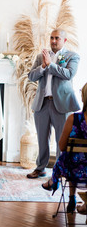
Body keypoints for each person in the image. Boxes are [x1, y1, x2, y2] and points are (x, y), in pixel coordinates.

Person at [27, 28, 80, 179]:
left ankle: (59, 171)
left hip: (62, 104)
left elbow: (69, 74)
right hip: (42, 103)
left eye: (57, 38)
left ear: (64, 40)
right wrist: (43, 66)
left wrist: (50, 65)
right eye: (51, 38)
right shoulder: (41, 56)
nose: (53, 41)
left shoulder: (72, 56)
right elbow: (31, 76)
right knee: (42, 138)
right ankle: (40, 168)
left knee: (60, 141)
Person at [42, 83, 87, 213]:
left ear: (83, 97)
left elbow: (62, 146)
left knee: (71, 159)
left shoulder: (74, 118)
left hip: (73, 169)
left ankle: (67, 194)